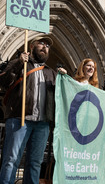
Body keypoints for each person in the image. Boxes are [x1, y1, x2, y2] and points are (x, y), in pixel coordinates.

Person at [0, 36, 66, 184]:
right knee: (11, 160)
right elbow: (3, 82)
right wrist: (18, 62)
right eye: (41, 43)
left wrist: (64, 77)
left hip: (42, 123)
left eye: (47, 45)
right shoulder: (21, 64)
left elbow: (64, 95)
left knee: (35, 163)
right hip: (19, 118)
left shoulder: (51, 73)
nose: (45, 47)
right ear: (31, 46)